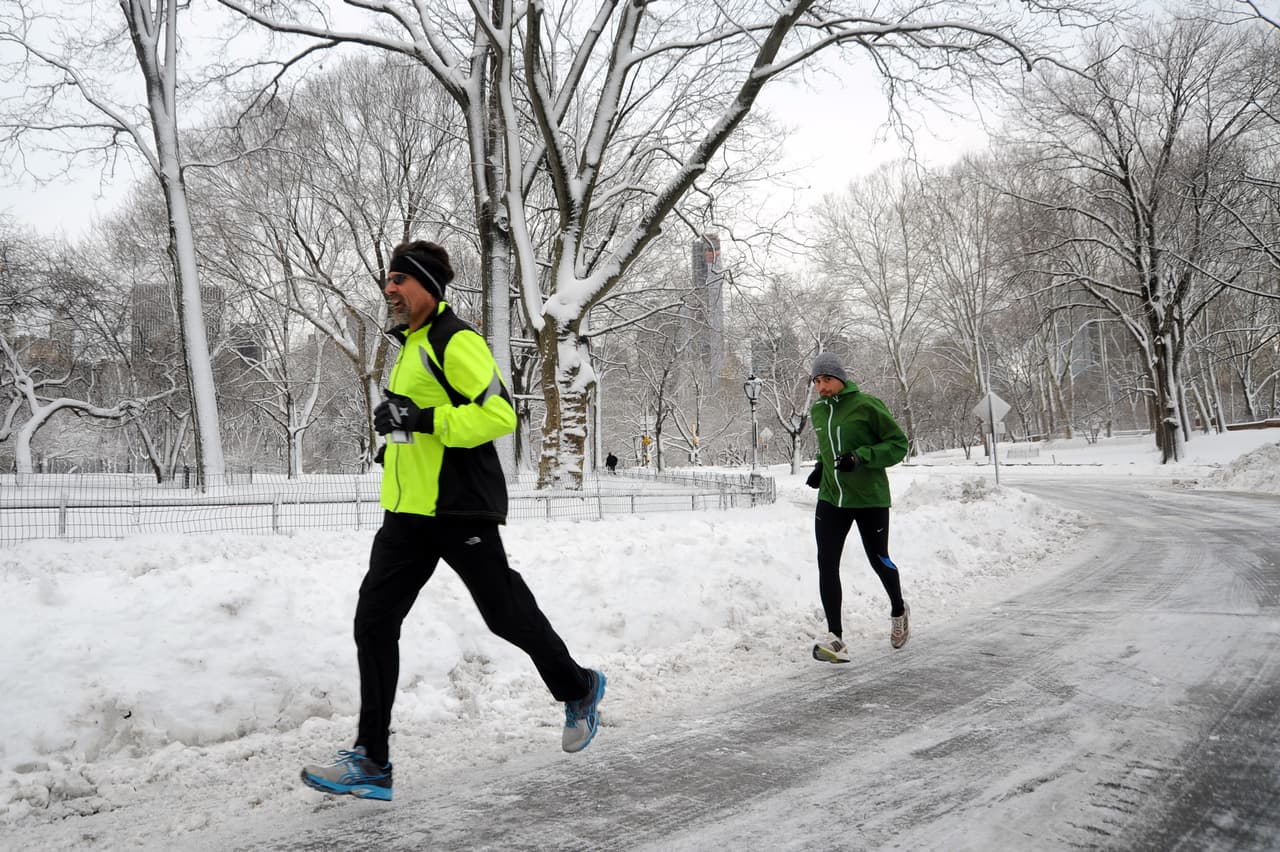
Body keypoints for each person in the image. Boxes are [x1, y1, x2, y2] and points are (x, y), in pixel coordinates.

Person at [301, 240, 606, 802]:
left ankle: (580, 686)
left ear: (427, 286)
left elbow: (497, 414)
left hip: (457, 507)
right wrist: (395, 432)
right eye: (387, 280)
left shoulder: (454, 339)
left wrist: (421, 417)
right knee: (374, 623)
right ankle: (372, 760)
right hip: (408, 514)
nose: (389, 288)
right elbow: (422, 423)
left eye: (399, 279)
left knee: (505, 616)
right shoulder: (410, 345)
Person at [804, 352, 911, 663]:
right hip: (831, 499)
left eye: (826, 380)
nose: (821, 387)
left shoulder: (866, 405)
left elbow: (897, 444)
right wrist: (821, 468)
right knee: (827, 563)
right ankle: (835, 638)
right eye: (817, 381)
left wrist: (862, 456)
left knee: (879, 559)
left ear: (840, 379)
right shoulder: (819, 411)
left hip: (868, 498)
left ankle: (898, 609)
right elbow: (830, 448)